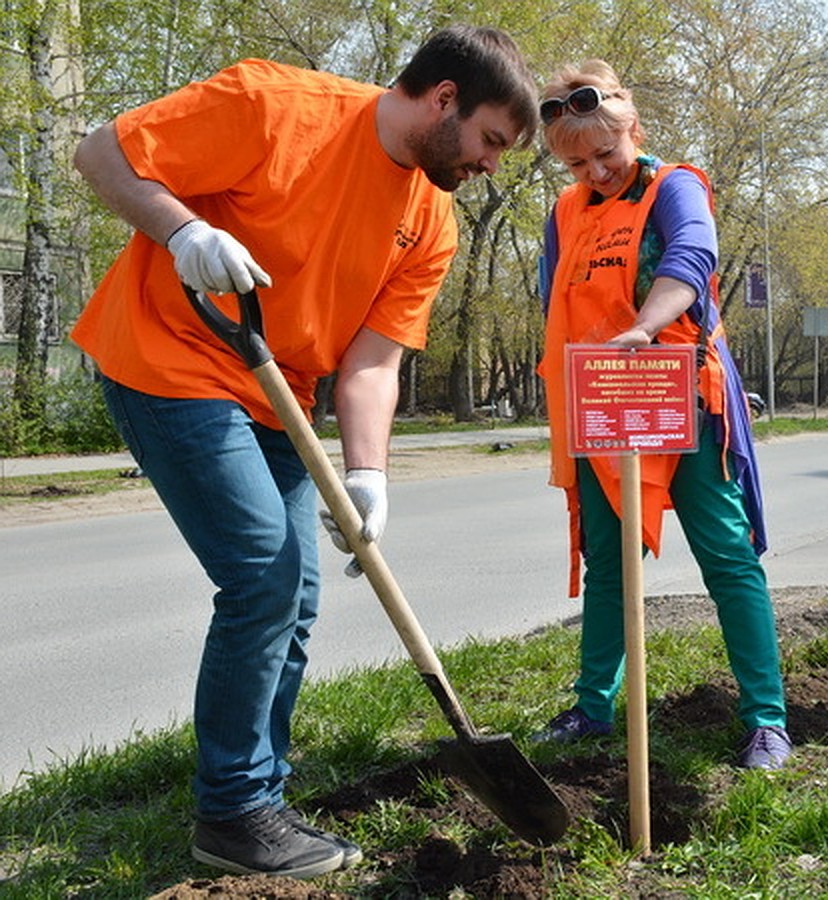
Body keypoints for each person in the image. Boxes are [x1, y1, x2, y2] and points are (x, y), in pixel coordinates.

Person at [70, 25, 538, 877]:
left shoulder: (430, 219)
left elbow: (373, 358)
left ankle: (259, 793)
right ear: (443, 100)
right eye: (490, 141)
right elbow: (100, 153)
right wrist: (181, 233)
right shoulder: (274, 106)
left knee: (299, 593)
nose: (490, 166)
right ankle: (235, 810)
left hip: (277, 391)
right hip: (168, 358)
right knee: (263, 573)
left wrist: (367, 474)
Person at [533, 60, 791, 770]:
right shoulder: (563, 210)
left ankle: (767, 721)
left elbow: (692, 255)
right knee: (609, 565)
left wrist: (645, 327)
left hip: (683, 395)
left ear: (633, 128)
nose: (596, 172)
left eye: (606, 154)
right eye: (578, 162)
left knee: (727, 557)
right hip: (601, 401)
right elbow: (557, 299)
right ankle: (592, 707)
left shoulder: (676, 186)